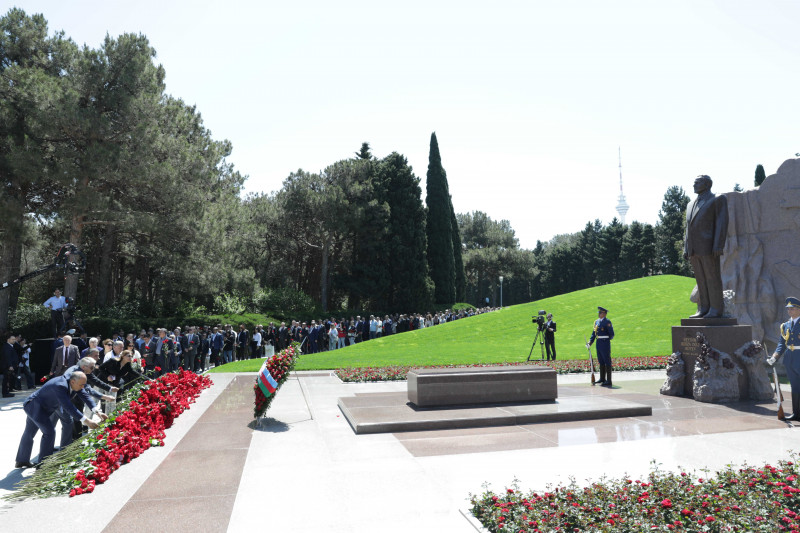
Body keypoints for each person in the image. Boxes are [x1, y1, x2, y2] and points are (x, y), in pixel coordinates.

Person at [15, 371, 101, 469]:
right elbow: (68, 406)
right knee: (49, 432)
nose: (82, 387)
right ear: (73, 382)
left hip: (39, 407)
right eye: (81, 385)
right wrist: (86, 421)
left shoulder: (76, 383)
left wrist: (97, 411)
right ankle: (43, 464)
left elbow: (85, 395)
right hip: (35, 407)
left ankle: (22, 460)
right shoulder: (60, 385)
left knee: (30, 432)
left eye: (83, 385)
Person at [684, 175, 729, 318]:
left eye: (697, 182)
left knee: (712, 278)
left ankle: (716, 309)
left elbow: (721, 223)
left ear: (707, 184)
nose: (694, 185)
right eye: (694, 183)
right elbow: (688, 228)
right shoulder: (690, 204)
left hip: (709, 247)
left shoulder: (717, 199)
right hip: (693, 249)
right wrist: (686, 247)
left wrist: (718, 245)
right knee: (700, 280)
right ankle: (703, 308)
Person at [768, 297, 800, 420]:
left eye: (792, 309)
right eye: (788, 309)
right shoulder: (785, 325)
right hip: (790, 359)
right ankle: (796, 413)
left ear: (799, 309)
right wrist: (774, 357)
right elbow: (782, 344)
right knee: (795, 386)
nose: (789, 311)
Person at [587, 306, 615, 387]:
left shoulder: (607, 322)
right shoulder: (597, 322)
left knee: (607, 361)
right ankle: (602, 378)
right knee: (601, 361)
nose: (599, 314)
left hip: (605, 343)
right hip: (598, 343)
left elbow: (611, 334)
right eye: (599, 313)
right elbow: (594, 333)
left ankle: (609, 380)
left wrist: (606, 340)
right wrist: (590, 342)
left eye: (600, 313)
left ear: (605, 314)